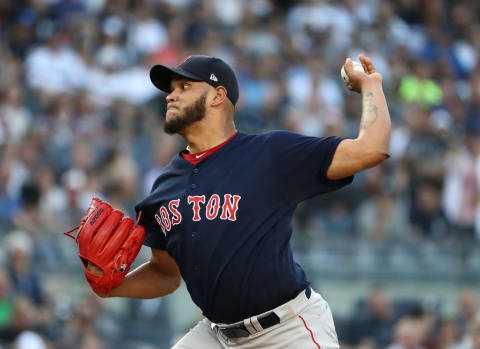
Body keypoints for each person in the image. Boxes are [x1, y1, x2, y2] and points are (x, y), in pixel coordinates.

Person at [89, 54, 391, 348]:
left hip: (286, 330)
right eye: (170, 90)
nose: (170, 96)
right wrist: (112, 285)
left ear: (218, 96)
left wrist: (371, 85)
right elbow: (166, 275)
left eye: (184, 87)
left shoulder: (270, 154)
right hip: (217, 335)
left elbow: (370, 149)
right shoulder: (165, 185)